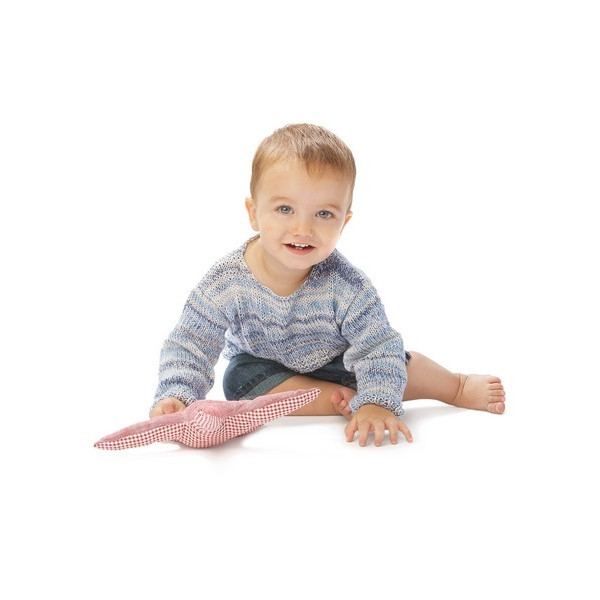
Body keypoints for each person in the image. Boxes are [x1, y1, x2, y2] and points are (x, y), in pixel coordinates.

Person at [150, 124, 505, 447]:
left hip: (340, 359)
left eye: (323, 214)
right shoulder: (226, 282)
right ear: (254, 212)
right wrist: (177, 395)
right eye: (285, 209)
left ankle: (455, 386)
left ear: (343, 223)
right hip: (266, 364)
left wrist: (379, 402)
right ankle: (335, 398)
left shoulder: (346, 285)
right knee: (239, 383)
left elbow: (377, 345)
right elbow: (191, 342)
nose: (303, 228)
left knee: (398, 364)